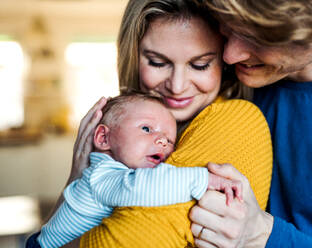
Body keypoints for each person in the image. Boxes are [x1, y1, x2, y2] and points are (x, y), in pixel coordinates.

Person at [26, 1, 273, 247]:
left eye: (199, 65)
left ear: (225, 63)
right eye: (157, 62)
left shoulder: (233, 122)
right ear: (133, 56)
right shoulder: (124, 130)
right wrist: (74, 185)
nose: (177, 86)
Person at [185, 0, 312, 247]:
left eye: (258, 39)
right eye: (228, 27)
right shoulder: (214, 69)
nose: (230, 55)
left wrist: (262, 235)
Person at [37, 92, 243, 248]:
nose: (162, 141)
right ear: (103, 138)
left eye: (170, 140)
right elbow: (142, 187)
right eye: (146, 129)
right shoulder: (102, 174)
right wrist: (204, 179)